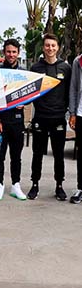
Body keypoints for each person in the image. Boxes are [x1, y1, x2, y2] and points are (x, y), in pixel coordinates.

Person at [27, 33, 71, 200]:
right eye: (47, 45)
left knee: (58, 154)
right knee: (37, 153)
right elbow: (30, 93)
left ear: (57, 47)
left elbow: (69, 93)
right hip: (40, 118)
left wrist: (68, 111)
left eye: (53, 45)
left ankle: (59, 185)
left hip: (59, 118)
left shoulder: (65, 68)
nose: (50, 48)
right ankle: (35, 184)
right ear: (43, 47)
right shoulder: (35, 68)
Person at [0, 39, 27, 201]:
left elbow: (31, 94)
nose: (11, 55)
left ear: (18, 53)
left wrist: (25, 103)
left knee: (16, 156)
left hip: (18, 122)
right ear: (4, 52)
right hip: (1, 122)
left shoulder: (24, 74)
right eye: (8, 51)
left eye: (14, 52)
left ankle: (16, 185)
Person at [68, 53, 82, 203]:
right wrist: (72, 113)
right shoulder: (78, 61)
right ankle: (80, 187)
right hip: (81, 113)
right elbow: (73, 88)